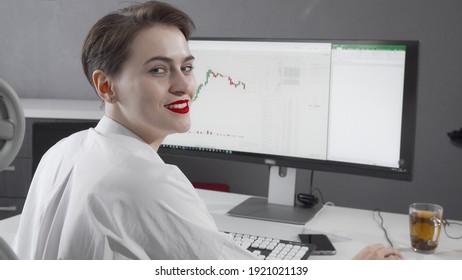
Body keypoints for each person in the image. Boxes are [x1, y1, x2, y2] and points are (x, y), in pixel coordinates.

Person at [13, 1, 402, 260]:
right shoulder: (145, 181)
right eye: (158, 69)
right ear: (105, 86)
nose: (183, 85)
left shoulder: (66, 150)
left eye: (187, 66)